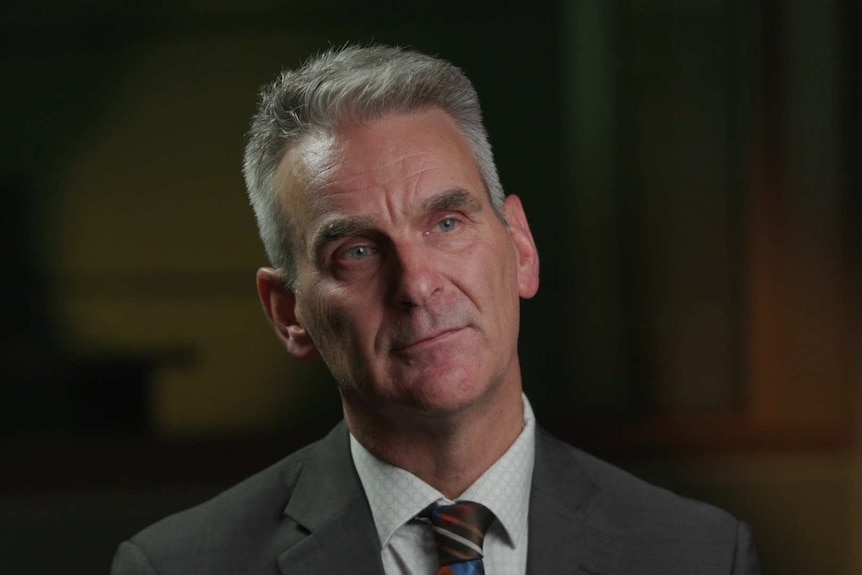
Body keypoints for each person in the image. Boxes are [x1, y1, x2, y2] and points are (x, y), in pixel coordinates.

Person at [110, 44, 760, 575]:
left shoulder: (700, 554)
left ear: (521, 247)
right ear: (289, 312)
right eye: (357, 251)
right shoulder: (176, 567)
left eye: (447, 222)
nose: (418, 284)